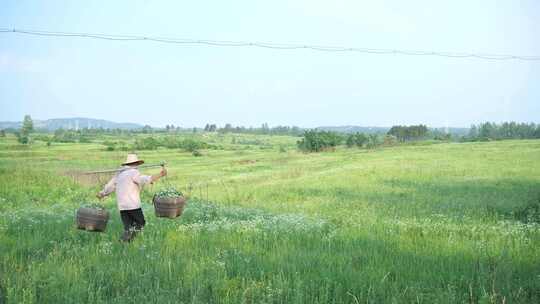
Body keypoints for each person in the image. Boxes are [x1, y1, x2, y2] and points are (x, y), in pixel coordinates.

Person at [97, 153, 167, 242]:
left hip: (122, 206)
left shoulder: (119, 174)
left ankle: (125, 244)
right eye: (137, 164)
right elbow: (144, 179)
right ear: (135, 164)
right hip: (132, 205)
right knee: (141, 223)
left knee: (128, 228)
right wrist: (160, 174)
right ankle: (124, 241)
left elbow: (110, 186)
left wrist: (102, 193)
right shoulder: (134, 172)